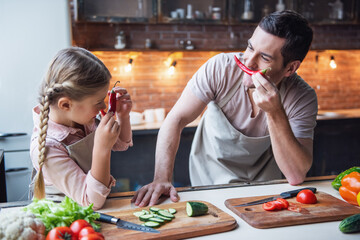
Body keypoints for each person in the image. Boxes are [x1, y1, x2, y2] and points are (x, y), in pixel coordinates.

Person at [132, 10, 317, 207]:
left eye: (264, 57)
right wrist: (161, 178)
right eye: (249, 47)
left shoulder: (302, 97)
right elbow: (176, 119)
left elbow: (296, 174)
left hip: (265, 191)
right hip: (208, 185)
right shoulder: (220, 68)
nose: (249, 61)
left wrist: (275, 112)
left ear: (290, 68)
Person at [30, 47, 133, 210]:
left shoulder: (82, 118)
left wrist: (123, 116)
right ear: (65, 104)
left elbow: (121, 144)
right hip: (67, 218)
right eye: (98, 101)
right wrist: (101, 148)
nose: (104, 106)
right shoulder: (48, 147)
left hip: (97, 209)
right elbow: (91, 201)